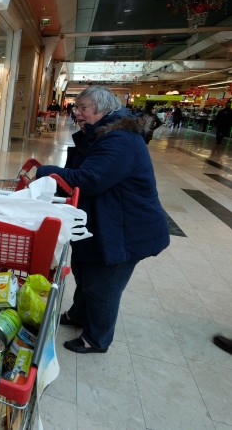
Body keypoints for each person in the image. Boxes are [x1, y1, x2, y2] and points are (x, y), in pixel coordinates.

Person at [36, 86, 169, 354]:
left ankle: (97, 338)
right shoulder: (100, 134)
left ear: (102, 109)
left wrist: (46, 172)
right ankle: (79, 314)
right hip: (104, 219)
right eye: (77, 108)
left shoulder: (119, 139)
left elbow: (91, 180)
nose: (77, 113)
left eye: (83, 108)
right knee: (85, 269)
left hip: (125, 227)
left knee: (104, 284)